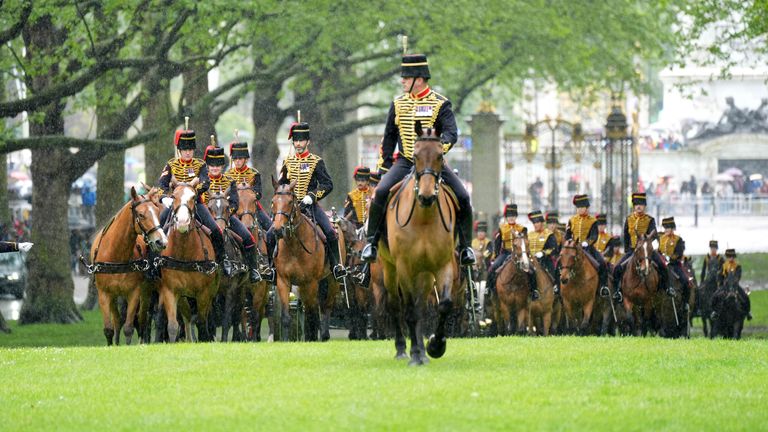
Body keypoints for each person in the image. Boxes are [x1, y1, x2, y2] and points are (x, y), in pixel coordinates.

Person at [361, 53, 475, 267]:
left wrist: (438, 150)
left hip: (433, 162)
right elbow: (389, 137)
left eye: (406, 77)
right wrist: (384, 166)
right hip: (405, 161)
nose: (402, 81)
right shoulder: (398, 104)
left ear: (419, 79)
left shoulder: (441, 103)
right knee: (381, 193)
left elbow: (452, 133)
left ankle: (466, 247)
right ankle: (372, 243)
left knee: (463, 196)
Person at [269, 121, 346, 282]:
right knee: (270, 234)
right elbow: (282, 184)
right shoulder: (287, 162)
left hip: (309, 207)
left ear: (308, 141)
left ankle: (336, 267)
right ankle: (270, 269)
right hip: (288, 209)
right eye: (295, 140)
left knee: (331, 234)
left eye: (301, 140)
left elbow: (327, 184)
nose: (298, 143)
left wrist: (312, 196)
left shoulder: (316, 161)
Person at [158, 128, 229, 276]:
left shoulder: (200, 164)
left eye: (190, 149)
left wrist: (190, 191)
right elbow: (162, 184)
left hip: (196, 204)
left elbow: (205, 183)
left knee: (215, 230)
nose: (188, 152)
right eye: (184, 149)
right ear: (179, 150)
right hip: (175, 204)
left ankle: (222, 262)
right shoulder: (171, 164)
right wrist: (164, 197)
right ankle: (153, 264)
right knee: (157, 230)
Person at [202, 146, 261, 282]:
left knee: (248, 238)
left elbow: (234, 203)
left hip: (227, 217)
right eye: (212, 165)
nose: (215, 168)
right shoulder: (202, 182)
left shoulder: (230, 181)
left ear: (222, 166)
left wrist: (225, 213)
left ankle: (253, 270)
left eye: (218, 165)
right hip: (206, 217)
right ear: (208, 166)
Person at [612, 192, 671, 302]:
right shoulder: (629, 219)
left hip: (647, 251)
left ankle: (666, 288)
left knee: (663, 266)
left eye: (641, 204)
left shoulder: (650, 220)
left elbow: (654, 236)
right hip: (632, 251)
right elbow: (625, 236)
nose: (639, 206)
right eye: (637, 204)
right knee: (617, 268)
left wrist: (649, 245)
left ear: (644, 206)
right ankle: (618, 291)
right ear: (634, 206)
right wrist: (627, 251)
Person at [486, 204, 535, 298]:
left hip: (519, 254)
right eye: (509, 216)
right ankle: (489, 289)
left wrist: (516, 233)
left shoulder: (522, 228)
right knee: (492, 268)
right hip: (505, 253)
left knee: (532, 270)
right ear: (506, 217)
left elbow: (525, 240)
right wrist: (495, 256)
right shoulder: (502, 228)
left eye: (513, 216)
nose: (511, 218)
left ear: (516, 216)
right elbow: (497, 243)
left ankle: (534, 291)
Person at [564, 195, 609, 297]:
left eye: (581, 207)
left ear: (587, 208)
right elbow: (567, 235)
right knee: (560, 263)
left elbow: (594, 236)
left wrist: (587, 242)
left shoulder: (592, 221)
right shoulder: (571, 220)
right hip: (573, 249)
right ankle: (558, 287)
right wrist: (569, 241)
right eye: (578, 207)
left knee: (601, 263)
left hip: (587, 249)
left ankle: (603, 286)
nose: (579, 209)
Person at [225, 140, 271, 231]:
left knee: (270, 228)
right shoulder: (227, 175)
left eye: (240, 159)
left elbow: (258, 194)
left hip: (252, 206)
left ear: (246, 159)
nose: (237, 161)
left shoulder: (254, 173)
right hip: (233, 208)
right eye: (235, 159)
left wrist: (246, 194)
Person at [658, 217, 692, 309]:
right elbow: (658, 252)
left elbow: (679, 253)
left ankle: (685, 303)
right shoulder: (661, 239)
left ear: (672, 228)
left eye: (668, 227)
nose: (666, 230)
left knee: (685, 281)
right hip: (662, 265)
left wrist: (670, 258)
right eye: (665, 228)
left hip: (674, 265)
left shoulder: (678, 239)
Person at [713, 249, 752, 320]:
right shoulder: (724, 265)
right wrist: (721, 282)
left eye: (732, 256)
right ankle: (715, 311)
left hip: (735, 285)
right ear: (727, 257)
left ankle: (748, 312)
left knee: (745, 296)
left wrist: (734, 280)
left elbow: (738, 276)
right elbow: (720, 276)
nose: (731, 258)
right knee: (715, 295)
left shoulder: (738, 266)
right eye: (729, 256)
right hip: (725, 285)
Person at [527, 210, 557, 298]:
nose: (535, 225)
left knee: (553, 273)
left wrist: (543, 253)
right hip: (531, 260)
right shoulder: (529, 234)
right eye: (534, 223)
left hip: (544, 260)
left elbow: (553, 249)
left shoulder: (549, 234)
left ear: (542, 223)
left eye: (537, 222)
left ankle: (556, 289)